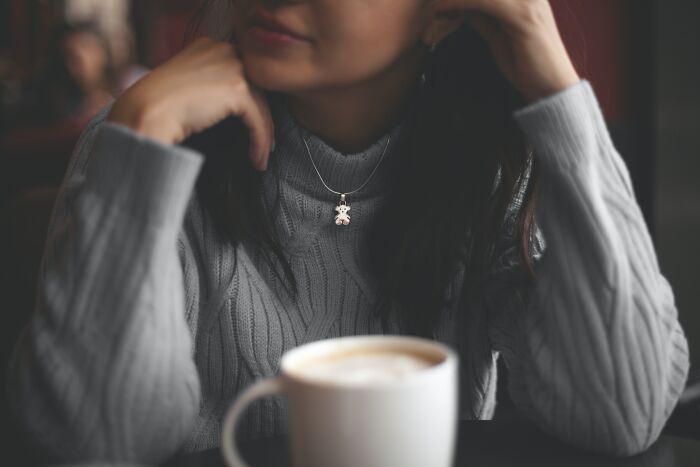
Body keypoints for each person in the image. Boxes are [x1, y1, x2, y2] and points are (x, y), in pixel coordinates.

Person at [6, 0, 690, 464]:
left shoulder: (494, 164)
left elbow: (622, 408)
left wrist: (551, 81)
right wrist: (142, 136)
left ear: (442, 12)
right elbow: (89, 443)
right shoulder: (141, 143)